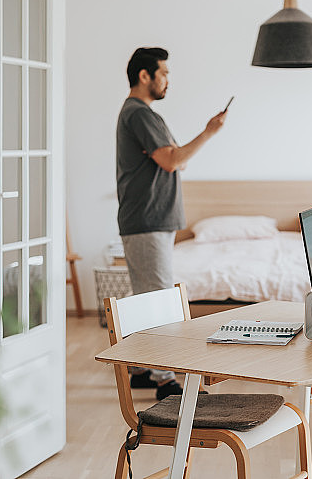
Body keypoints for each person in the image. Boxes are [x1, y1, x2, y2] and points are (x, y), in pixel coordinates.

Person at [116, 47, 226, 400]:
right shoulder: (140, 114)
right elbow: (172, 160)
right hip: (147, 219)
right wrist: (209, 132)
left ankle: (143, 368)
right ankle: (166, 381)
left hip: (149, 219)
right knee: (159, 298)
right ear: (145, 75)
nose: (168, 81)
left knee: (147, 293)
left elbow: (175, 159)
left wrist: (179, 156)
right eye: (163, 73)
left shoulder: (142, 114)